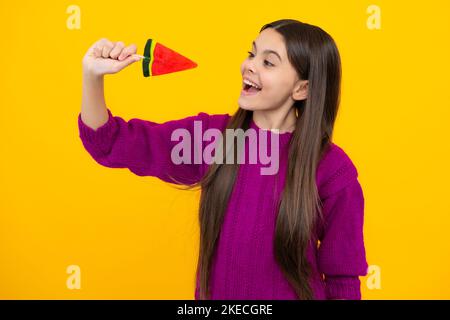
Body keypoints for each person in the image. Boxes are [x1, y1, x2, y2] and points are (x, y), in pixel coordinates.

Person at [78, 19, 368, 300]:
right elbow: (110, 143)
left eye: (268, 62)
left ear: (302, 89)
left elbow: (343, 282)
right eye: (251, 54)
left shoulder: (333, 170)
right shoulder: (210, 139)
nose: (249, 65)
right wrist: (92, 76)